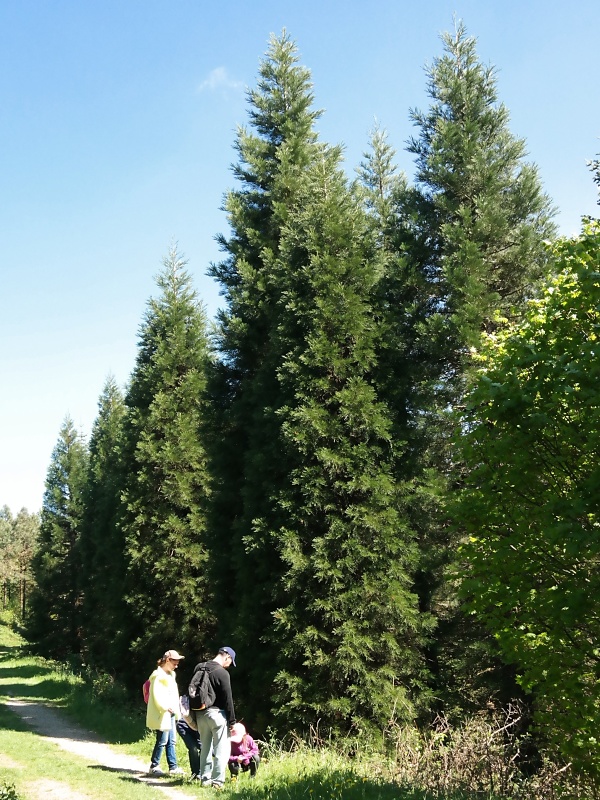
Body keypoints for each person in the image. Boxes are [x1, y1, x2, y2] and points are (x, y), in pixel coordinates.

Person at [193, 646, 237, 788]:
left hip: (200, 714)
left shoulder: (199, 667)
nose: (229, 665)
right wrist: (232, 721)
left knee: (205, 748)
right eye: (230, 662)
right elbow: (228, 699)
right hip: (217, 715)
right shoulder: (222, 673)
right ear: (227, 657)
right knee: (221, 749)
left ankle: (205, 780)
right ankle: (217, 781)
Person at [146, 649, 186, 776]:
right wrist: (165, 707)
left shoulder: (171, 675)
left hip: (171, 713)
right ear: (167, 660)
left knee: (171, 741)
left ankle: (173, 767)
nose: (176, 666)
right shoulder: (158, 676)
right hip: (163, 713)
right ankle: (154, 765)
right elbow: (156, 695)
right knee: (162, 740)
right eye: (174, 663)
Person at [176, 694, 202, 777]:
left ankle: (201, 772)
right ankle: (195, 773)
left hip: (197, 726)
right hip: (184, 725)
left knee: (203, 748)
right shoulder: (188, 698)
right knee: (193, 748)